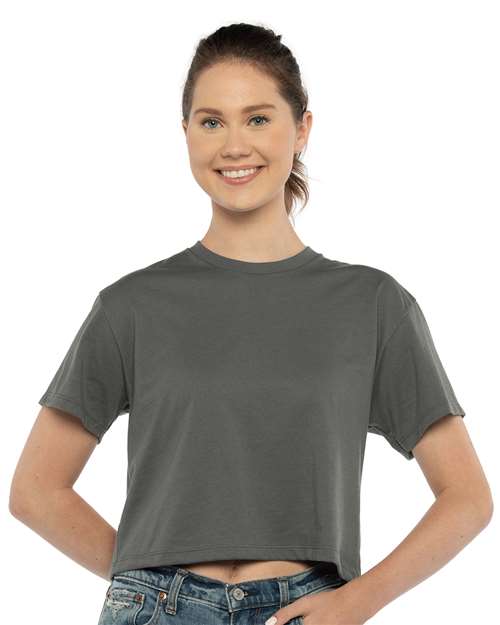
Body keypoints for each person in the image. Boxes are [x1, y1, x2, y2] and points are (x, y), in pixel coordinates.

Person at [9, 22, 493, 625]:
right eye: (211, 122)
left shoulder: (373, 304)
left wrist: (357, 601)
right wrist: (145, 584)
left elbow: (467, 497)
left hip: (306, 609)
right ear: (186, 133)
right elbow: (35, 491)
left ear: (302, 129)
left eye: (258, 119)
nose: (234, 145)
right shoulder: (129, 305)